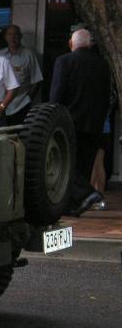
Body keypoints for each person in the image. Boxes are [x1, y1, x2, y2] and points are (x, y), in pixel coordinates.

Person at [50, 28, 110, 216]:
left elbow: (57, 95)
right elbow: (106, 96)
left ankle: (87, 194)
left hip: (71, 123)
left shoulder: (64, 61)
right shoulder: (102, 64)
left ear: (71, 44)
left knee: (67, 165)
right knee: (84, 166)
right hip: (95, 124)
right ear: (90, 44)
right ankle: (74, 205)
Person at [0, 24, 43, 125]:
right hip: (1, 106)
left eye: (15, 34)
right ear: (5, 37)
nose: (12, 38)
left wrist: (28, 99)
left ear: (20, 36)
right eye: (9, 35)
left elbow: (37, 80)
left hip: (21, 105)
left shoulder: (29, 54)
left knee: (20, 133)